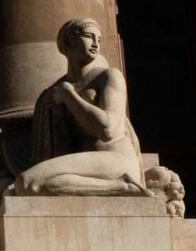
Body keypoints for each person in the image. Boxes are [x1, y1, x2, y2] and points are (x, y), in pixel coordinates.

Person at [14, 18, 149, 196]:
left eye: (99, 39)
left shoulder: (108, 77)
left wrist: (69, 96)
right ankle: (121, 187)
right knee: (27, 185)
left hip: (116, 160)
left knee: (27, 181)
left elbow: (107, 129)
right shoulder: (52, 93)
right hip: (85, 168)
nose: (95, 44)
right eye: (88, 36)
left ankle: (125, 184)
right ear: (70, 41)